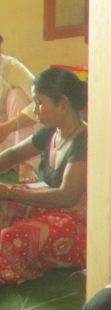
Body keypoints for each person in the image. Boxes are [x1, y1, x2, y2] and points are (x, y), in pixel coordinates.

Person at [0, 67, 86, 285]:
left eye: (39, 102)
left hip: (78, 221)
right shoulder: (51, 131)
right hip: (53, 207)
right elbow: (13, 155)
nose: (35, 110)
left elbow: (67, 197)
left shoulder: (84, 140)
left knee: (8, 238)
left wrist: (11, 192)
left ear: (63, 104)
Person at [0, 33, 37, 179]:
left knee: (17, 95)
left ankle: (26, 165)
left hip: (14, 133)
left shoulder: (11, 67)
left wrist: (8, 126)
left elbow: (44, 102)